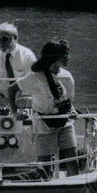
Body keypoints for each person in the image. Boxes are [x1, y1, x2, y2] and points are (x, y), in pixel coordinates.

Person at [15, 39, 79, 176]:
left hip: (65, 122)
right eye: (66, 55)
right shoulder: (34, 77)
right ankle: (43, 188)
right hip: (44, 124)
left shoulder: (67, 77)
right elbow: (12, 89)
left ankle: (74, 187)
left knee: (73, 162)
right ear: (56, 57)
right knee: (44, 167)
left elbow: (68, 102)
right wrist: (15, 112)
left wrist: (72, 110)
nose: (69, 58)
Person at [0, 22, 36, 110]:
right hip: (4, 101)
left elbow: (32, 81)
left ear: (15, 38)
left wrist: (15, 97)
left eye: (5, 39)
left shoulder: (27, 55)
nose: (1, 42)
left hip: (25, 100)